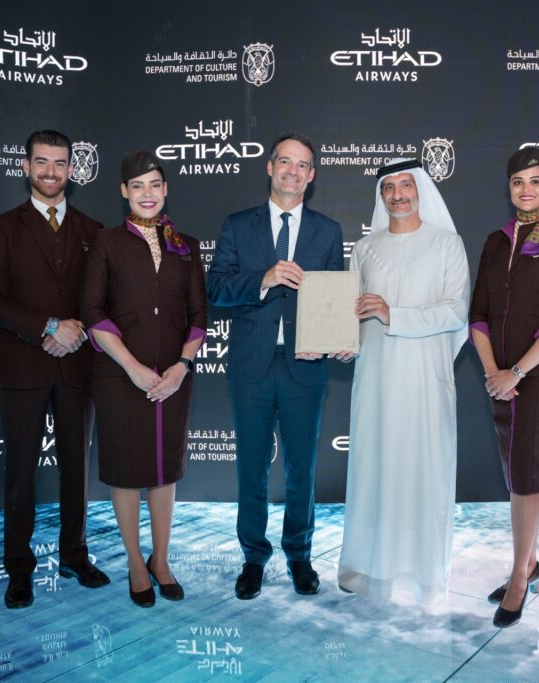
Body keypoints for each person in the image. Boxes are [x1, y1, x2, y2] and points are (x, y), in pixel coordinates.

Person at [207, 132, 345, 600]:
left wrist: (326, 341)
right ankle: (253, 558)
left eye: (303, 164)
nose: (292, 171)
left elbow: (331, 299)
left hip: (305, 368)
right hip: (252, 365)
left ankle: (299, 555)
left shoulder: (327, 231)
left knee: (302, 467)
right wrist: (261, 280)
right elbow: (216, 289)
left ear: (311, 175)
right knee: (251, 467)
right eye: (284, 161)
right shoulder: (237, 225)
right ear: (270, 167)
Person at [0, 129, 109, 609]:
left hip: (78, 367)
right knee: (21, 474)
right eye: (42, 162)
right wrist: (49, 326)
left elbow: (101, 304)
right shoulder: (2, 227)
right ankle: (19, 569)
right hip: (23, 366)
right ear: (26, 167)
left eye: (60, 163)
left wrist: (76, 330)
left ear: (72, 169)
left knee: (77, 470)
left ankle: (75, 555)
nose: (51, 171)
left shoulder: (95, 231)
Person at [337, 159, 470, 605]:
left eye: (406, 185)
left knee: (422, 472)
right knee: (375, 470)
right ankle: (368, 569)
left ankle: (422, 576)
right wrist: (342, 339)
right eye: (388, 187)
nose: (397, 194)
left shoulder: (447, 244)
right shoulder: (365, 248)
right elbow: (351, 314)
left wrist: (395, 315)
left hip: (426, 383)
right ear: (380, 195)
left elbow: (456, 312)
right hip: (375, 379)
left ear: (421, 190)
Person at [81, 151, 207, 607]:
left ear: (166, 189)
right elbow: (92, 312)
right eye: (138, 186)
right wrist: (132, 367)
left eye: (155, 184)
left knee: (164, 470)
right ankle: (136, 562)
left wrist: (182, 366)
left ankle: (162, 560)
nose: (147, 194)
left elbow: (198, 315)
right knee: (126, 470)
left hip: (173, 378)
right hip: (119, 376)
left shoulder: (186, 245)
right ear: (123, 192)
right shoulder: (106, 242)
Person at [469, 148, 539, 627]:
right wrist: (495, 371)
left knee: (526, 475)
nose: (527, 189)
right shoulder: (496, 242)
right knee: (517, 471)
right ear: (509, 187)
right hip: (500, 378)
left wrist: (515, 373)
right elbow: (477, 314)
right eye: (518, 181)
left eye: (536, 180)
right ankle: (529, 562)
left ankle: (520, 576)